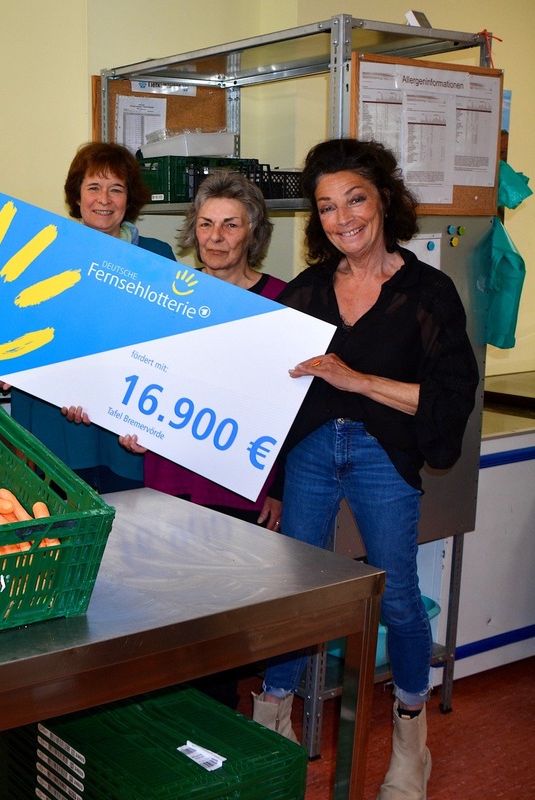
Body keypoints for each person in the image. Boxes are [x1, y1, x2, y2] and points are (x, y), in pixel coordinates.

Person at [253, 138, 477, 800]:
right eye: (325, 207)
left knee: (399, 597)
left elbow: (446, 400)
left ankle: (411, 739)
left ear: (383, 197)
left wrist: (359, 382)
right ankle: (274, 715)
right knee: (294, 595)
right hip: (312, 455)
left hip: (385, 455)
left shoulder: (429, 293)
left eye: (354, 198)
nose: (342, 217)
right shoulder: (306, 292)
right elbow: (254, 380)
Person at [113, 170, 285, 526]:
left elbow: (289, 407)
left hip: (244, 488)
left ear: (252, 231)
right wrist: (132, 424)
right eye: (206, 224)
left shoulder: (282, 302)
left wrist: (280, 489)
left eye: (230, 225)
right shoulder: (166, 296)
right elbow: (141, 372)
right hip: (169, 481)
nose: (216, 237)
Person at [9, 141, 174, 493]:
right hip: (57, 424)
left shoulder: (158, 258)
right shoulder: (45, 252)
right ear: (77, 196)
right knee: (69, 530)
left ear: (129, 199)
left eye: (116, 189)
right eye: (94, 187)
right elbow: (24, 326)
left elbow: (171, 344)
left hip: (130, 431)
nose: (104, 199)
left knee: (131, 535)